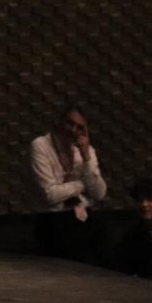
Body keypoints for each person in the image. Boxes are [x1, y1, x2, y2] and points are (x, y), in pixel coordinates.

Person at [29, 105, 109, 263]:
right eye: (69, 123)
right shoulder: (41, 146)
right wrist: (81, 184)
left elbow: (100, 193)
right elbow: (50, 195)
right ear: (58, 122)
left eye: (79, 127)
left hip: (83, 213)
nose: (73, 130)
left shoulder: (85, 149)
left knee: (107, 251)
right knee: (80, 253)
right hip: (54, 218)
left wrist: (86, 156)